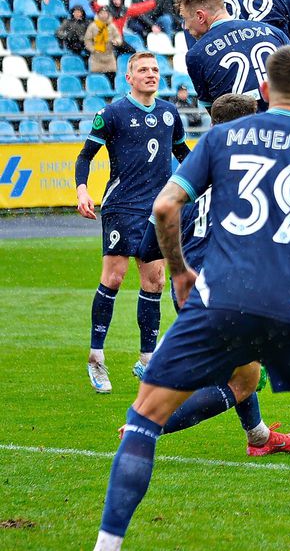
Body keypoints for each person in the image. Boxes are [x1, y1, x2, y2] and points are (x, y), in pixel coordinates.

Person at [92, 46, 290, 551]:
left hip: (220, 298)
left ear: (263, 92)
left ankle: (107, 545)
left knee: (143, 418)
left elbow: (166, 206)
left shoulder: (221, 137)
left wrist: (179, 270)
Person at [133, 92, 290, 455]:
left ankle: (258, 438)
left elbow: (150, 244)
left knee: (241, 370)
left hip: (190, 287)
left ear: (212, 124)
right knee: (244, 381)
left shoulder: (191, 170)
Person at [75, 53, 190, 394]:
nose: (151, 74)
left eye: (155, 69)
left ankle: (147, 360)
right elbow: (85, 156)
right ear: (129, 78)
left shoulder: (170, 113)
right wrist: (82, 190)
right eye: (143, 70)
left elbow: (184, 154)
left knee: (154, 282)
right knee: (114, 276)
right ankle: (96, 357)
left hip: (158, 208)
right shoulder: (111, 114)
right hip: (122, 205)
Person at [177, 0, 289, 110]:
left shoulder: (196, 54)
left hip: (239, 128)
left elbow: (213, 111)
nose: (185, 26)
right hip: (286, 125)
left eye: (185, 18)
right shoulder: (274, 32)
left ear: (200, 17)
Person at [83, 7, 122, 73]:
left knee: (111, 77)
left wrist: (116, 42)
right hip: (96, 57)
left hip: (109, 56)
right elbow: (87, 40)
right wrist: (93, 49)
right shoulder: (93, 26)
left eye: (105, 13)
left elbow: (118, 37)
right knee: (97, 78)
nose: (103, 15)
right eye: (101, 13)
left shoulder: (112, 26)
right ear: (98, 14)